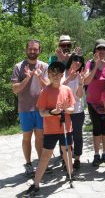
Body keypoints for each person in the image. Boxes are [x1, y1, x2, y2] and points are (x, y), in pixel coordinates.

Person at [24, 62, 82, 197]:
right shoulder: (44, 92)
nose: (55, 76)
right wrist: (53, 112)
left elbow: (72, 108)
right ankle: (36, 184)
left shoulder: (67, 89)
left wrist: (66, 109)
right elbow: (42, 112)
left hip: (66, 128)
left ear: (62, 75)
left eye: (58, 73)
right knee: (45, 156)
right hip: (50, 130)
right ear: (48, 75)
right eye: (52, 73)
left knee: (67, 152)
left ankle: (70, 174)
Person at [11, 39, 49, 177]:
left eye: (35, 49)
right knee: (27, 137)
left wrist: (38, 77)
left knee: (40, 137)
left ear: (39, 50)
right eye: (30, 49)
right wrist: (27, 77)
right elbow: (15, 90)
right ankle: (28, 164)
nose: (32, 51)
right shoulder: (19, 66)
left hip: (40, 108)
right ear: (26, 50)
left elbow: (48, 87)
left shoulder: (44, 66)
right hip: (25, 108)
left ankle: (41, 162)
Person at [84, 39, 105, 166]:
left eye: (104, 49)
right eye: (99, 49)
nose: (102, 51)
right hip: (92, 102)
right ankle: (97, 154)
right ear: (95, 50)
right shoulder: (89, 64)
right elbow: (86, 81)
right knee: (96, 128)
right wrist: (96, 65)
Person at [62, 51, 85, 170]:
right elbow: (59, 89)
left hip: (77, 111)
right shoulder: (63, 73)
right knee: (66, 136)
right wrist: (68, 78)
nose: (78, 62)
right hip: (64, 111)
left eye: (80, 61)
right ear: (71, 60)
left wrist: (80, 83)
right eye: (76, 59)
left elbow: (79, 95)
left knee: (77, 136)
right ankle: (66, 158)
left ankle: (77, 159)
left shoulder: (80, 75)